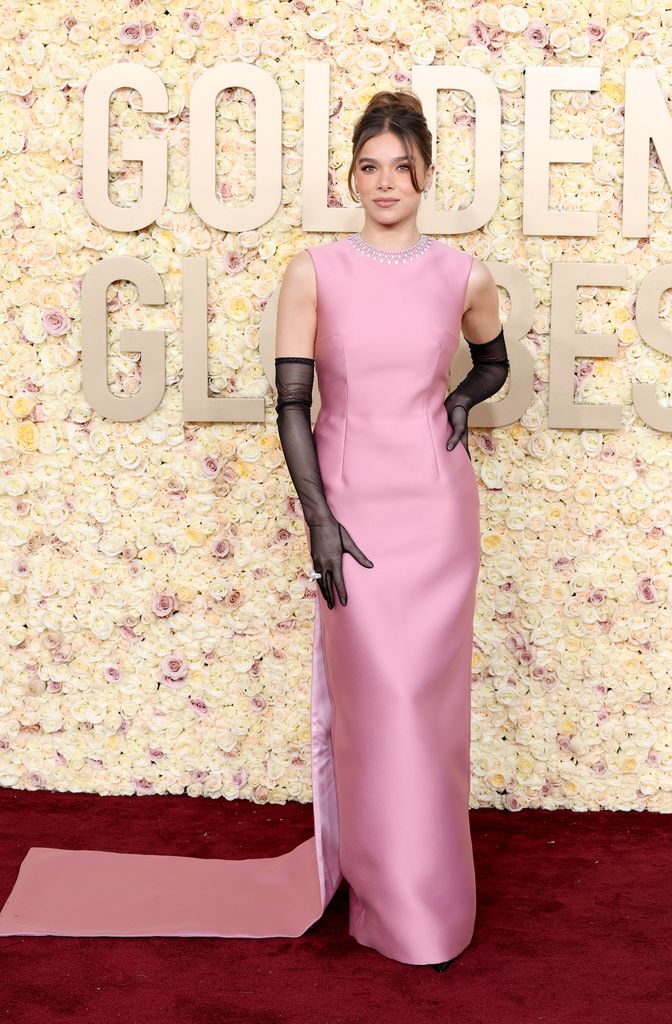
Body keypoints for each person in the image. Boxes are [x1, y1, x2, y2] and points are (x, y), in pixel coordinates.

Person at [0, 91, 508, 973]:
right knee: (373, 704)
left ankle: (430, 906)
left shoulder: (463, 275)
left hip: (438, 512)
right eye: (368, 165)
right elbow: (292, 404)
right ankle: (381, 900)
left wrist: (462, 396)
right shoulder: (315, 272)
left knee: (429, 711)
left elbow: (493, 359)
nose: (384, 181)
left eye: (400, 165)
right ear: (351, 175)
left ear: (426, 173)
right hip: (349, 507)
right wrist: (318, 518)